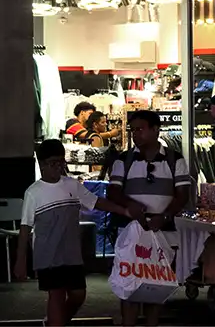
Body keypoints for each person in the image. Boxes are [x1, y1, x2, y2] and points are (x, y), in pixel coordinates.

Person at [14, 138, 141, 327]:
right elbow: (25, 228)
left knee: (78, 294)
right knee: (56, 294)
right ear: (41, 164)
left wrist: (124, 211)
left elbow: (95, 201)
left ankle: (54, 323)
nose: (57, 168)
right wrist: (21, 260)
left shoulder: (71, 185)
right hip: (48, 254)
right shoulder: (34, 192)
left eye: (60, 162)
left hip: (71, 252)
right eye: (52, 164)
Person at [108, 112, 192, 327]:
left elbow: (183, 195)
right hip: (130, 233)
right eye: (133, 129)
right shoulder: (122, 159)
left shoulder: (175, 159)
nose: (135, 134)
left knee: (157, 285)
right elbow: (113, 192)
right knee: (129, 285)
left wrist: (164, 216)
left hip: (164, 233)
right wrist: (130, 205)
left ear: (156, 130)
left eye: (140, 128)